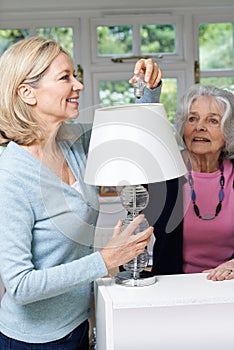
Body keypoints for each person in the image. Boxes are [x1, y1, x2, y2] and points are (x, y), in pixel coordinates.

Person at [0, 37, 162, 349]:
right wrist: (106, 259)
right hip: (33, 341)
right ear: (26, 92)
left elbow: (132, 137)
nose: (79, 86)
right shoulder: (11, 176)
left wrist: (149, 88)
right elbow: (19, 285)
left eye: (76, 75)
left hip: (78, 325)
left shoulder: (72, 140)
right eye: (65, 78)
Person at [147, 83, 234, 282]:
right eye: (192, 118)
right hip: (172, 287)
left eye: (213, 120)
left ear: (228, 130)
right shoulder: (164, 173)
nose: (199, 127)